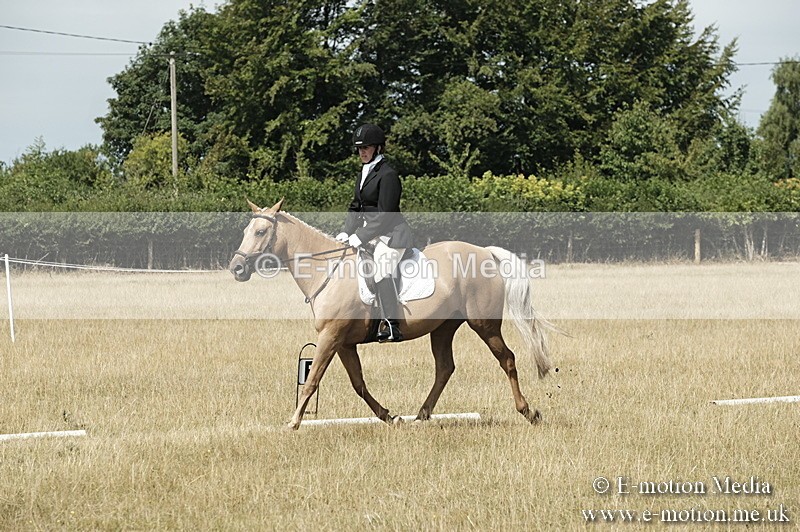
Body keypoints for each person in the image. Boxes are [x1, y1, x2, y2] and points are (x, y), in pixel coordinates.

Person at [335, 124, 413, 342]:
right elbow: (355, 207)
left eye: (366, 148)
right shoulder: (364, 172)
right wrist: (346, 231)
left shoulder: (388, 175)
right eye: (359, 149)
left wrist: (360, 236)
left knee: (380, 268)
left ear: (378, 148)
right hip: (373, 234)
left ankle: (391, 324)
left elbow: (385, 213)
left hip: (392, 235)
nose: (362, 152)